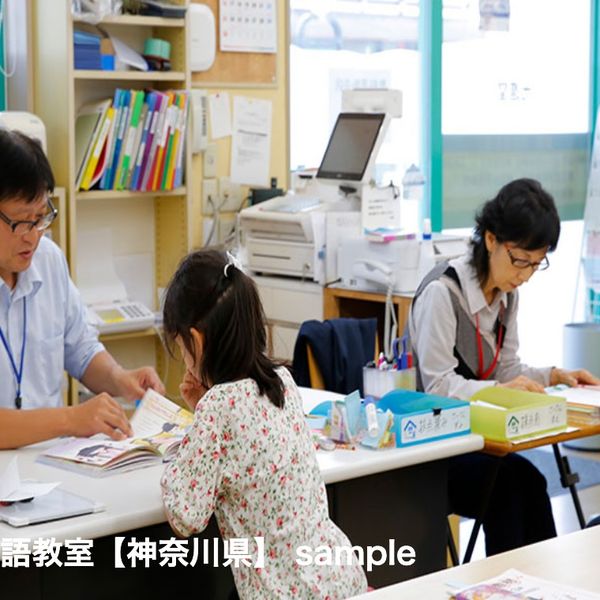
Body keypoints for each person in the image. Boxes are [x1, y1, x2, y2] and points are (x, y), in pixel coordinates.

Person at [160, 250, 367, 600]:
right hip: (341, 580)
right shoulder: (283, 381)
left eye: (181, 346)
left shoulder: (219, 407)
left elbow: (185, 517)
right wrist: (204, 415)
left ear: (196, 340)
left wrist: (198, 428)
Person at [408, 178, 600, 556]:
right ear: (491, 239)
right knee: (509, 490)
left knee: (532, 482)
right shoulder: (442, 293)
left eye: (536, 264)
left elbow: (506, 367)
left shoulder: (507, 296)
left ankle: (540, 583)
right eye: (520, 260)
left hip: (480, 439)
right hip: (434, 447)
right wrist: (498, 391)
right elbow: (438, 387)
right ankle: (506, 584)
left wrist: (554, 376)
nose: (525, 275)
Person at [0, 129, 164, 449]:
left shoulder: (48, 260)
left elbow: (80, 349)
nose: (33, 236)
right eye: (21, 222)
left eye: (41, 217)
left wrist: (120, 379)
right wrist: (70, 419)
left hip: (48, 460)